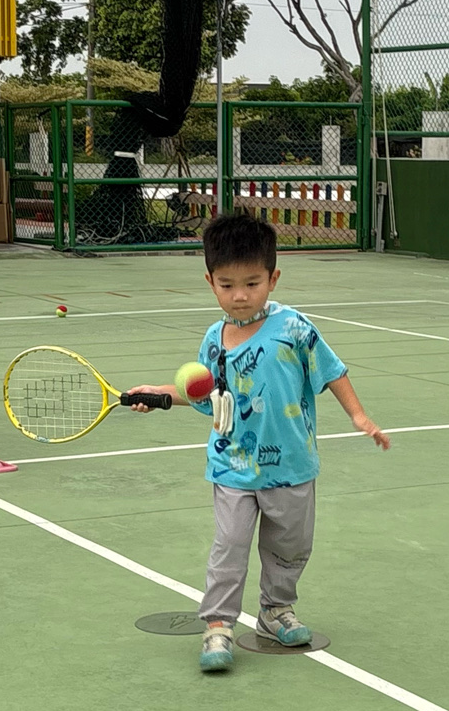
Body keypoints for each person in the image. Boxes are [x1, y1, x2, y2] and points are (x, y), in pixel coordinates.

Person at [128, 214, 390, 672]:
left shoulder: (294, 328)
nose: (240, 295)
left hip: (292, 464)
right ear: (210, 282)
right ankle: (218, 625)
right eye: (227, 285)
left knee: (290, 546)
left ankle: (275, 610)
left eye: (252, 283)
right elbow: (204, 394)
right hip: (232, 465)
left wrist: (359, 415)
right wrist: (159, 394)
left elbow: (333, 371)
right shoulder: (215, 340)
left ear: (273, 278)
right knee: (229, 546)